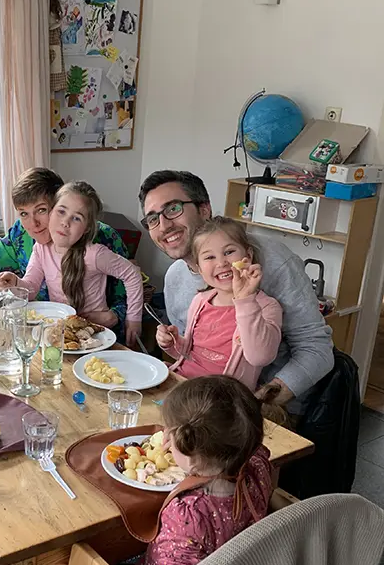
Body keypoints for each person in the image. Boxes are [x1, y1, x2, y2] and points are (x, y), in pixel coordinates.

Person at [88, 375, 273, 565]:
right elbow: (258, 450)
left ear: (191, 455)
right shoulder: (257, 466)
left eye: (171, 434)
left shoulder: (186, 515)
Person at [139, 169, 334, 409]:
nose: (164, 225)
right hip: (195, 399)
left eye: (173, 209)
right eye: (152, 219)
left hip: (266, 405)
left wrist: (254, 406)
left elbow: (316, 349)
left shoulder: (273, 261)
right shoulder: (175, 278)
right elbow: (193, 354)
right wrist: (171, 343)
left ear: (204, 209)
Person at [0, 167, 131, 339]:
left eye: (41, 210)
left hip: (95, 339)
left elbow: (130, 290)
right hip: (39, 336)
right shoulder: (21, 234)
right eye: (23, 213)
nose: (33, 224)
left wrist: (115, 316)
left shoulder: (102, 237)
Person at [0, 181, 144, 345]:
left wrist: (134, 318)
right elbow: (31, 288)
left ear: (87, 228)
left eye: (76, 218)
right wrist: (14, 284)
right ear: (51, 213)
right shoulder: (41, 249)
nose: (65, 222)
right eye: (61, 212)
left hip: (95, 335)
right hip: (61, 333)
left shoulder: (94, 254)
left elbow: (132, 274)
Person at [158, 216, 282, 389]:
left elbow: (260, 357)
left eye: (229, 252)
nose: (221, 262)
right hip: (184, 383)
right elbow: (191, 353)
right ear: (199, 269)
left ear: (248, 256)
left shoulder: (267, 307)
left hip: (222, 398)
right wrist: (173, 343)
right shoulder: (200, 300)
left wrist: (245, 299)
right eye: (209, 257)